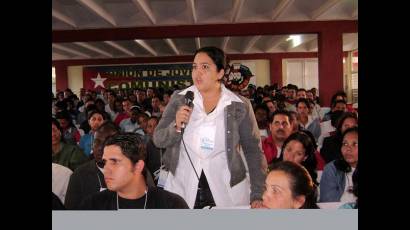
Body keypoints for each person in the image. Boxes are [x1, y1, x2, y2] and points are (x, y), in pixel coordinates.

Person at [153, 46, 267, 209]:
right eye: (194, 67)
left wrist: (258, 193)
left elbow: (253, 151)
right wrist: (175, 126)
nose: (197, 73)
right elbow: (158, 139)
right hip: (183, 188)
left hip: (226, 189)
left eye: (205, 67)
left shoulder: (239, 105)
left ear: (220, 73)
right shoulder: (179, 99)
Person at [79, 133, 188, 209]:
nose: (106, 170)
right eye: (105, 162)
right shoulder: (92, 205)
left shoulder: (171, 205)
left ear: (138, 166)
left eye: (114, 162)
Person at [64, 121, 120, 209]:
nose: (100, 147)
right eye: (97, 142)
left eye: (107, 142)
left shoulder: (132, 172)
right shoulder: (79, 175)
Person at [320, 127, 358, 202]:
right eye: (345, 144)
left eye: (355, 144)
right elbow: (328, 202)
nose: (348, 149)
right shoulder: (332, 169)